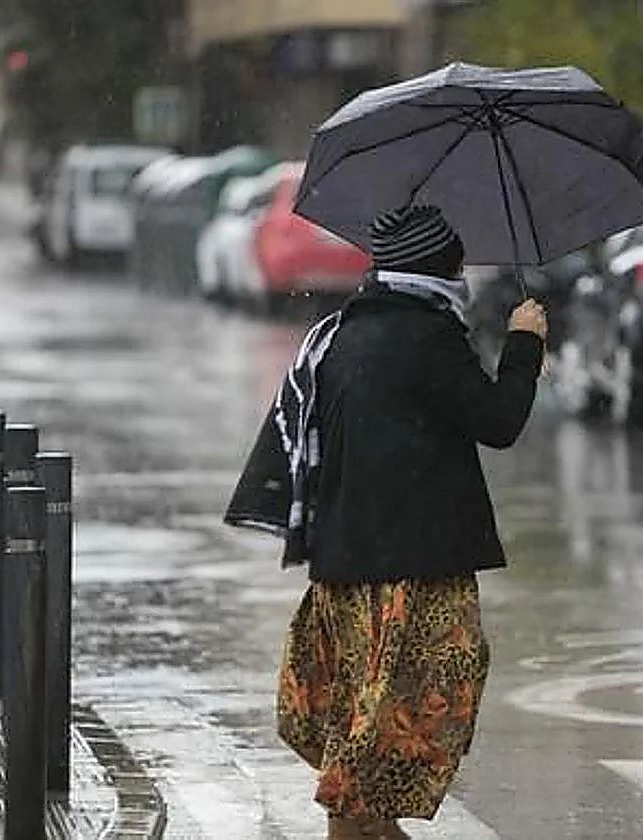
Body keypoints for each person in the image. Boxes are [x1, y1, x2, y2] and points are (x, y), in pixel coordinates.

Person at [226, 205, 547, 839]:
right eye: (456, 264)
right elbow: (499, 420)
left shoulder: (342, 331)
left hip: (345, 564)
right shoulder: (427, 336)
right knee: (410, 708)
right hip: (415, 570)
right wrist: (525, 345)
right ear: (439, 269)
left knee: (364, 708)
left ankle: (366, 823)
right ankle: (350, 826)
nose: (463, 277)